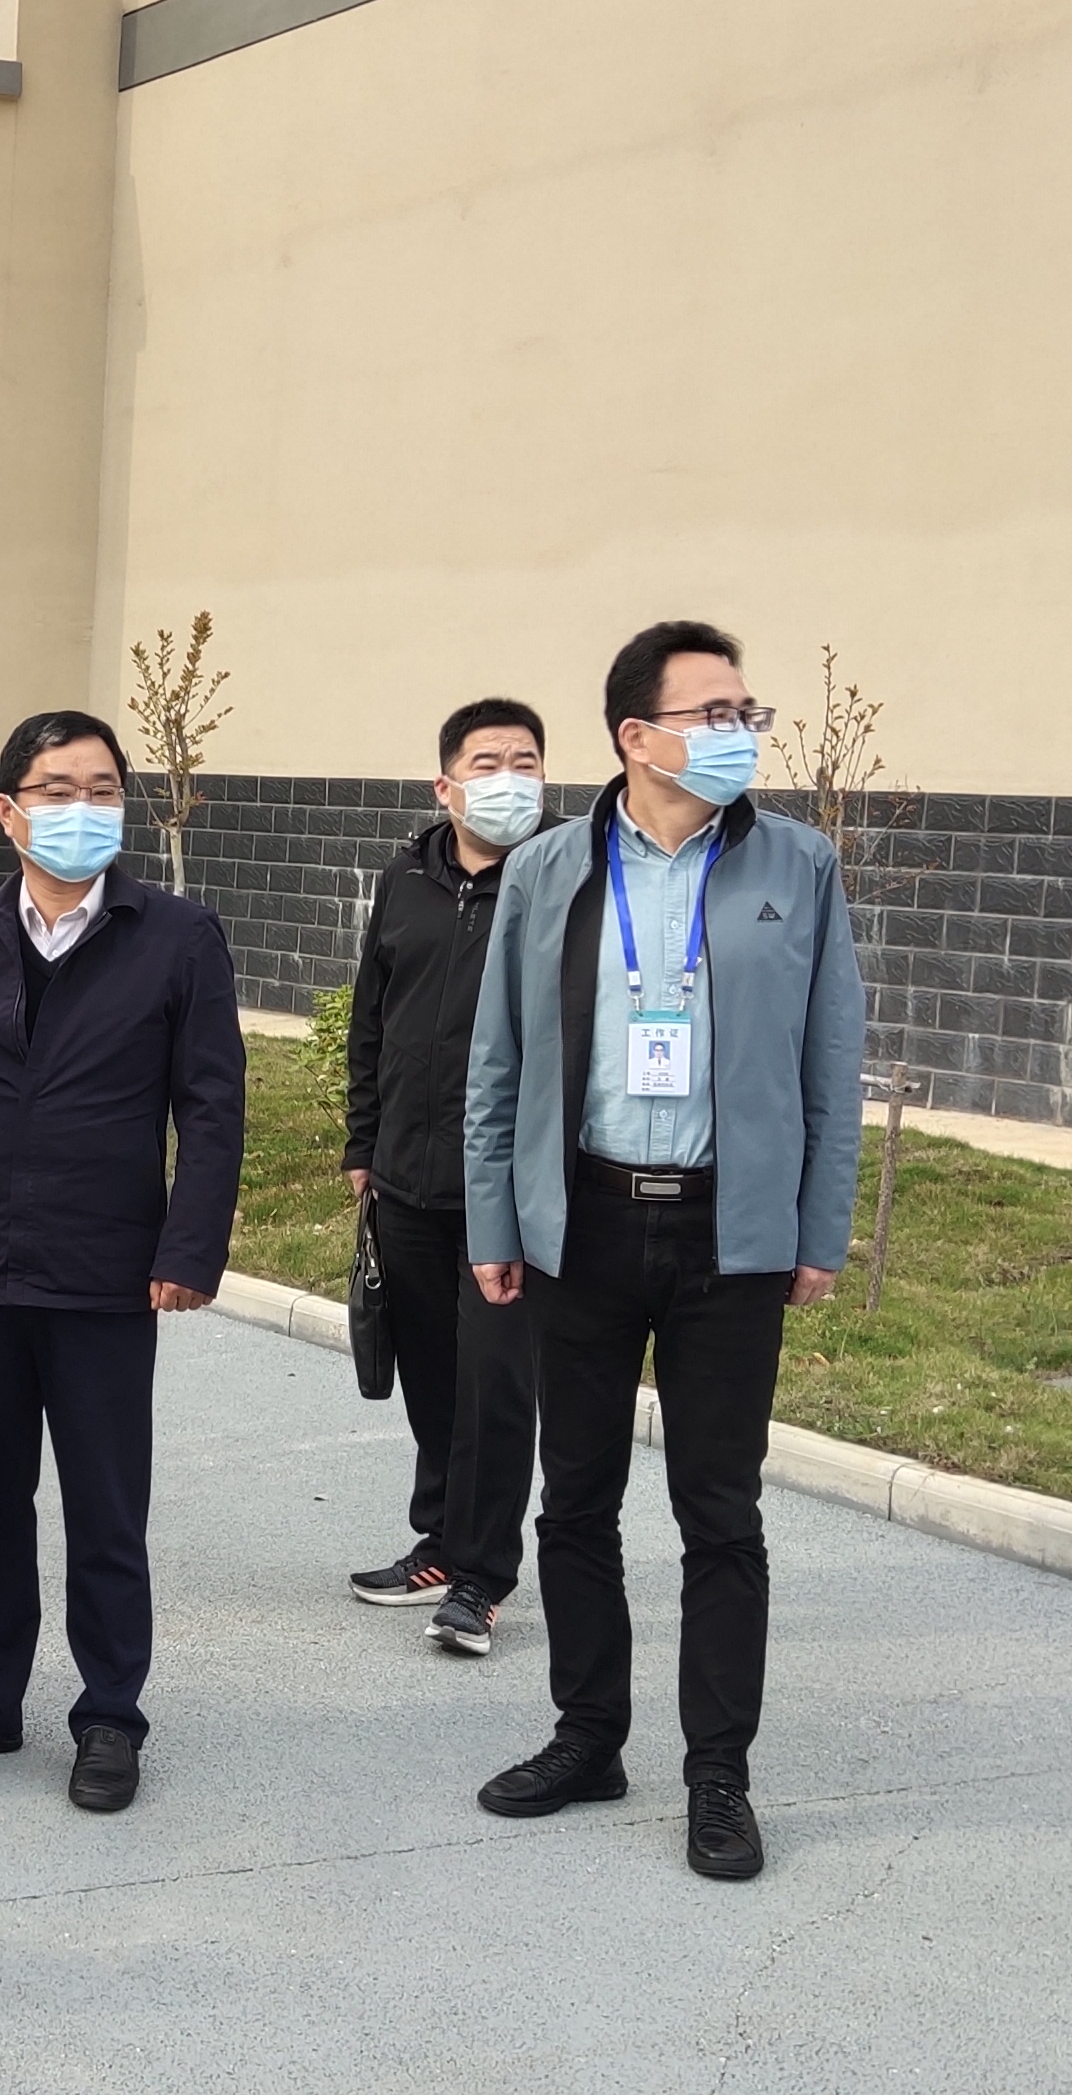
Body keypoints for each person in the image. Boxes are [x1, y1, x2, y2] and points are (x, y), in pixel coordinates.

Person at [461, 620, 864, 1882]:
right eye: (713, 713)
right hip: (580, 1223)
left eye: (747, 712)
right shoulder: (547, 870)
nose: (740, 733)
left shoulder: (798, 864)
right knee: (575, 1500)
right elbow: (497, 1062)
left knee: (719, 1513)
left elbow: (830, 1062)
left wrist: (818, 1228)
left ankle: (718, 1775)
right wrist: (494, 1222)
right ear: (636, 737)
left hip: (725, 1233)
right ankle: (588, 1738)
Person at [0, 710, 246, 1814]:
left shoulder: (176, 936)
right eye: (56, 789)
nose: (82, 808)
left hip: (105, 1269)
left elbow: (211, 1108)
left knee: (105, 1504)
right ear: (9, 810)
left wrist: (190, 1246)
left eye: (102, 788)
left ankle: (109, 1714)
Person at [341, 698, 551, 1655]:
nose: (509, 779)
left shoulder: (564, 879)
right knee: (430, 1375)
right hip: (406, 1179)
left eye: (525, 762)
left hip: (508, 1190)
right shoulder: (405, 880)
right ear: (445, 785)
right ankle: (439, 1542)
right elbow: (372, 1017)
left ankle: (482, 1577)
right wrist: (364, 1146)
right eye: (487, 763)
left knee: (495, 1386)